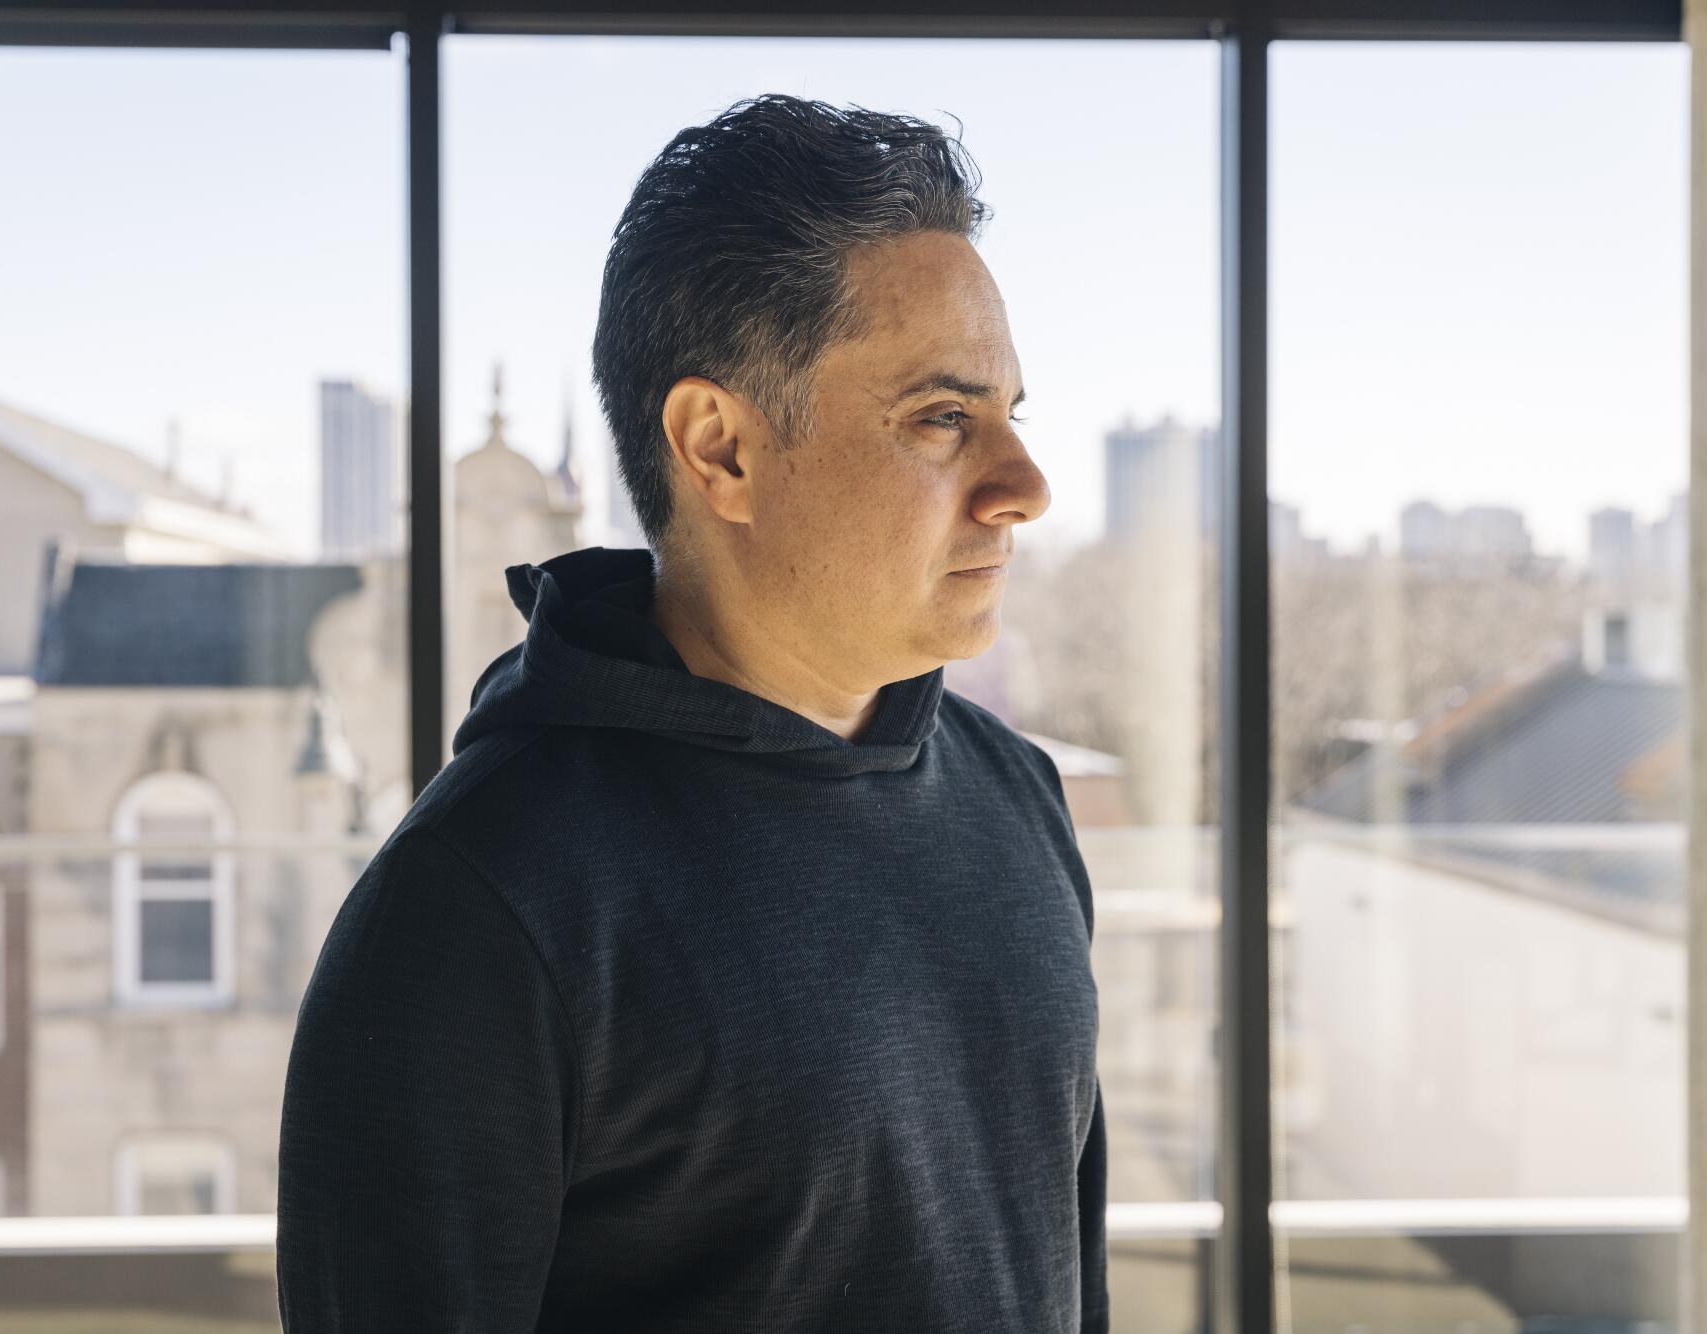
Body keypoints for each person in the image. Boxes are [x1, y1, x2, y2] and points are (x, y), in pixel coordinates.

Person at [276, 91, 1108, 1333]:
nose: (1024, 486)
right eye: (942, 418)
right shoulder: (476, 908)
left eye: (1008, 417)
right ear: (717, 446)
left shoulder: (1013, 793)